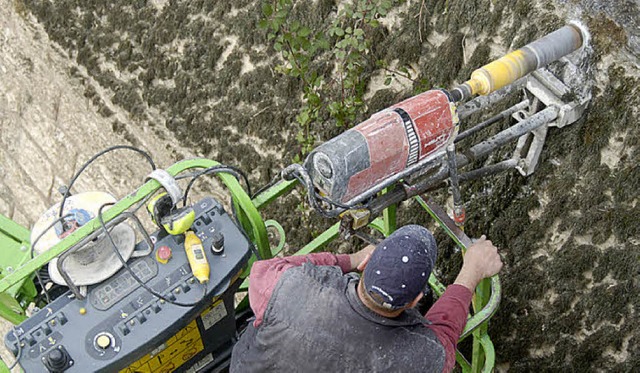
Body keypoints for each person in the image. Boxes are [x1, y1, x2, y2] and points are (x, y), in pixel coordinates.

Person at [230, 225, 503, 372]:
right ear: (416, 300)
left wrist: (348, 259)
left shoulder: (291, 286)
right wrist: (471, 272)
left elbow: (265, 269)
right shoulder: (419, 356)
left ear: (367, 266)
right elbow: (443, 338)